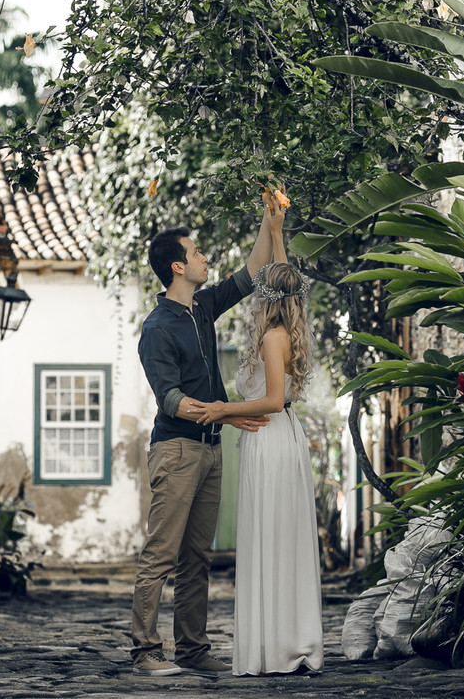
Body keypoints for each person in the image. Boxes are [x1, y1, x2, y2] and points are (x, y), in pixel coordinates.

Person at [131, 202, 279, 678]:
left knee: (197, 557)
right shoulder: (157, 328)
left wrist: (270, 220)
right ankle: (145, 651)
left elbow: (252, 272)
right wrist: (227, 413)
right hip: (176, 451)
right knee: (161, 554)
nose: (204, 258)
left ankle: (192, 650)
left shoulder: (203, 307)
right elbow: (171, 399)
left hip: (211, 451)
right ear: (178, 266)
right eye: (196, 253)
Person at [191, 196, 325, 676]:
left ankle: (276, 645)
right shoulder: (289, 329)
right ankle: (287, 638)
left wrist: (222, 409)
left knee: (271, 538)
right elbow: (282, 273)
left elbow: (271, 399)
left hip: (269, 438)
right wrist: (276, 229)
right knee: (282, 538)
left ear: (266, 298)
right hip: (281, 437)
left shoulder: (271, 338)